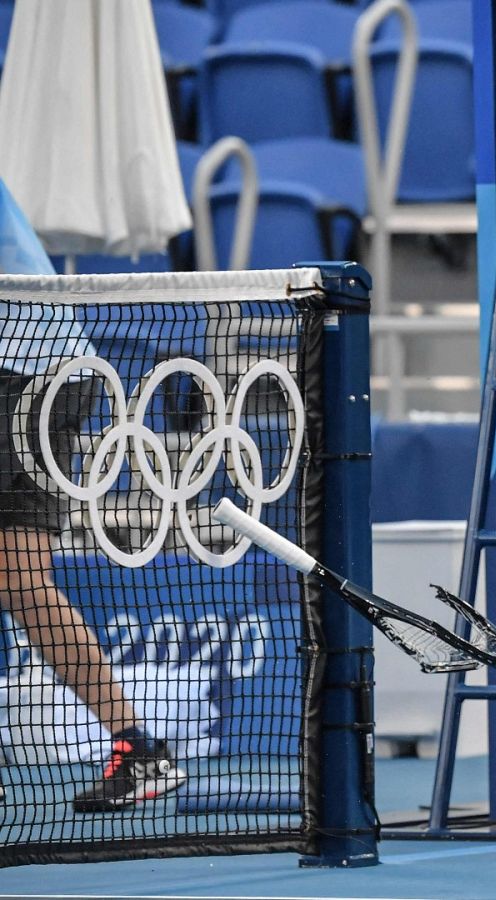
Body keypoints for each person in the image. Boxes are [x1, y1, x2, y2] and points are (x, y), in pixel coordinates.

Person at [0, 177, 186, 812]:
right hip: (33, 368)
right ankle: (138, 748)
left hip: (23, 369)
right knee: (16, 580)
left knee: (18, 577)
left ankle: (137, 749)